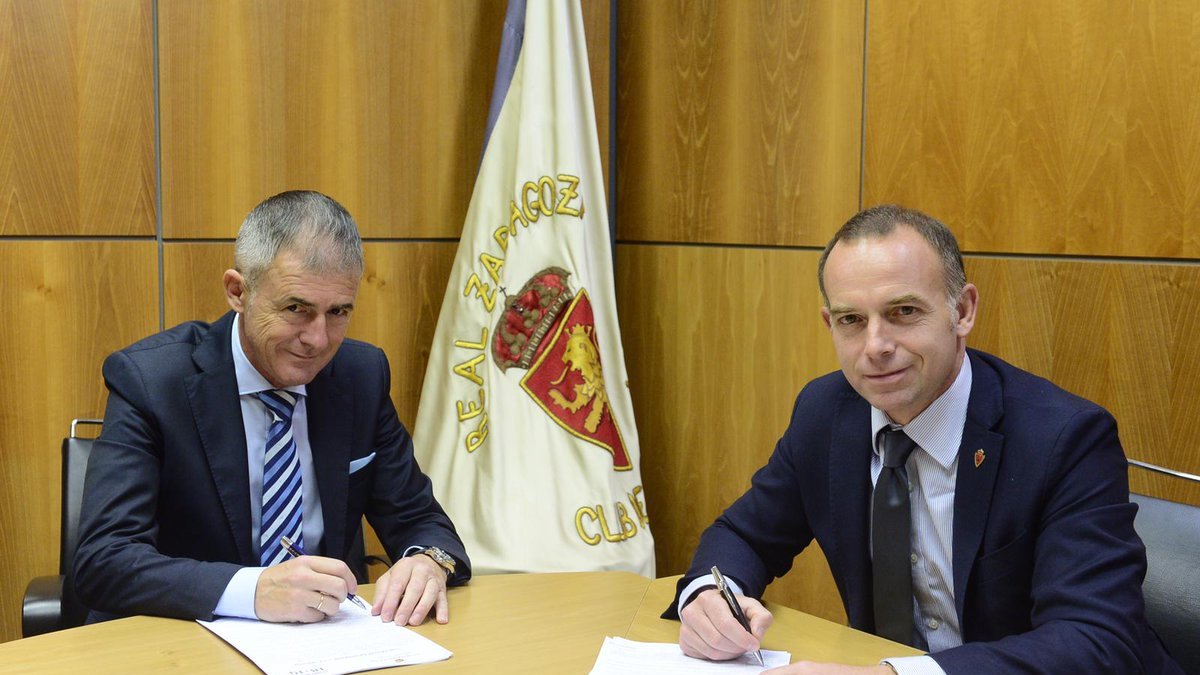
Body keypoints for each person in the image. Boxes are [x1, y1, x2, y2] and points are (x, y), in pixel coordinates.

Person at [668, 205, 1182, 674]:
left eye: (903, 312)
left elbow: (1094, 641)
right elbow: (745, 534)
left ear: (963, 312)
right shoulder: (826, 413)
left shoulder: (1064, 438)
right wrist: (712, 593)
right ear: (830, 325)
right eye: (852, 320)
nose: (876, 347)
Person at [75, 190, 470, 626]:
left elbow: (420, 519)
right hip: (187, 641)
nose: (318, 339)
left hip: (331, 647)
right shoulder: (152, 382)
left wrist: (427, 561)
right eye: (296, 309)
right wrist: (253, 590)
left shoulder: (360, 375)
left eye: (338, 311)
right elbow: (104, 559)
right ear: (238, 292)